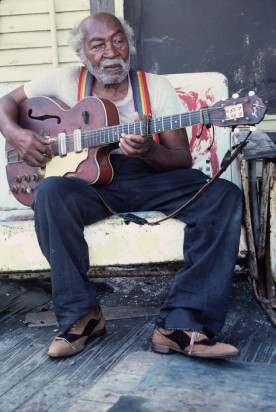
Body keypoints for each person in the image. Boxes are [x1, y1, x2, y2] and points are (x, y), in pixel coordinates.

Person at [0, 12, 242, 359]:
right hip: (92, 183)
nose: (111, 52)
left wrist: (150, 150)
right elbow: (4, 104)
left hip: (150, 178)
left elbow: (181, 159)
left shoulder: (155, 88)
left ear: (129, 44)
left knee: (223, 196)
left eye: (118, 40)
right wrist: (18, 135)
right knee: (50, 193)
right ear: (82, 54)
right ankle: (82, 317)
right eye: (97, 45)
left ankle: (180, 324)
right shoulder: (63, 80)